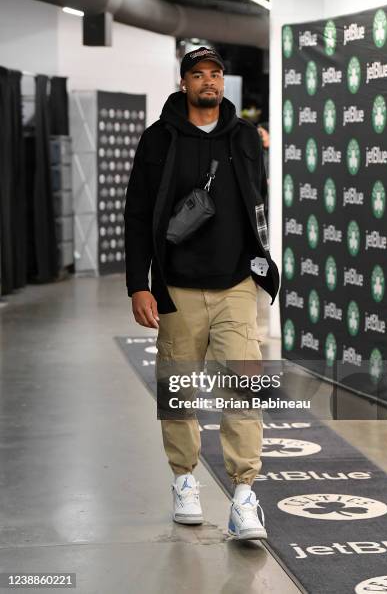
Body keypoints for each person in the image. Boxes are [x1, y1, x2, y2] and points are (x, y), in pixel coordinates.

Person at [124, 47, 279, 540]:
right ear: (184, 82)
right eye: (199, 74)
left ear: (224, 82)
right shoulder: (158, 140)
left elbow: (258, 203)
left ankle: (243, 495)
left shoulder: (246, 138)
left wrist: (260, 265)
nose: (209, 81)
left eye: (216, 74)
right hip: (176, 287)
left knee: (245, 387)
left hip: (235, 284)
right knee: (178, 392)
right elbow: (136, 215)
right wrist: (138, 284)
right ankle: (185, 480)